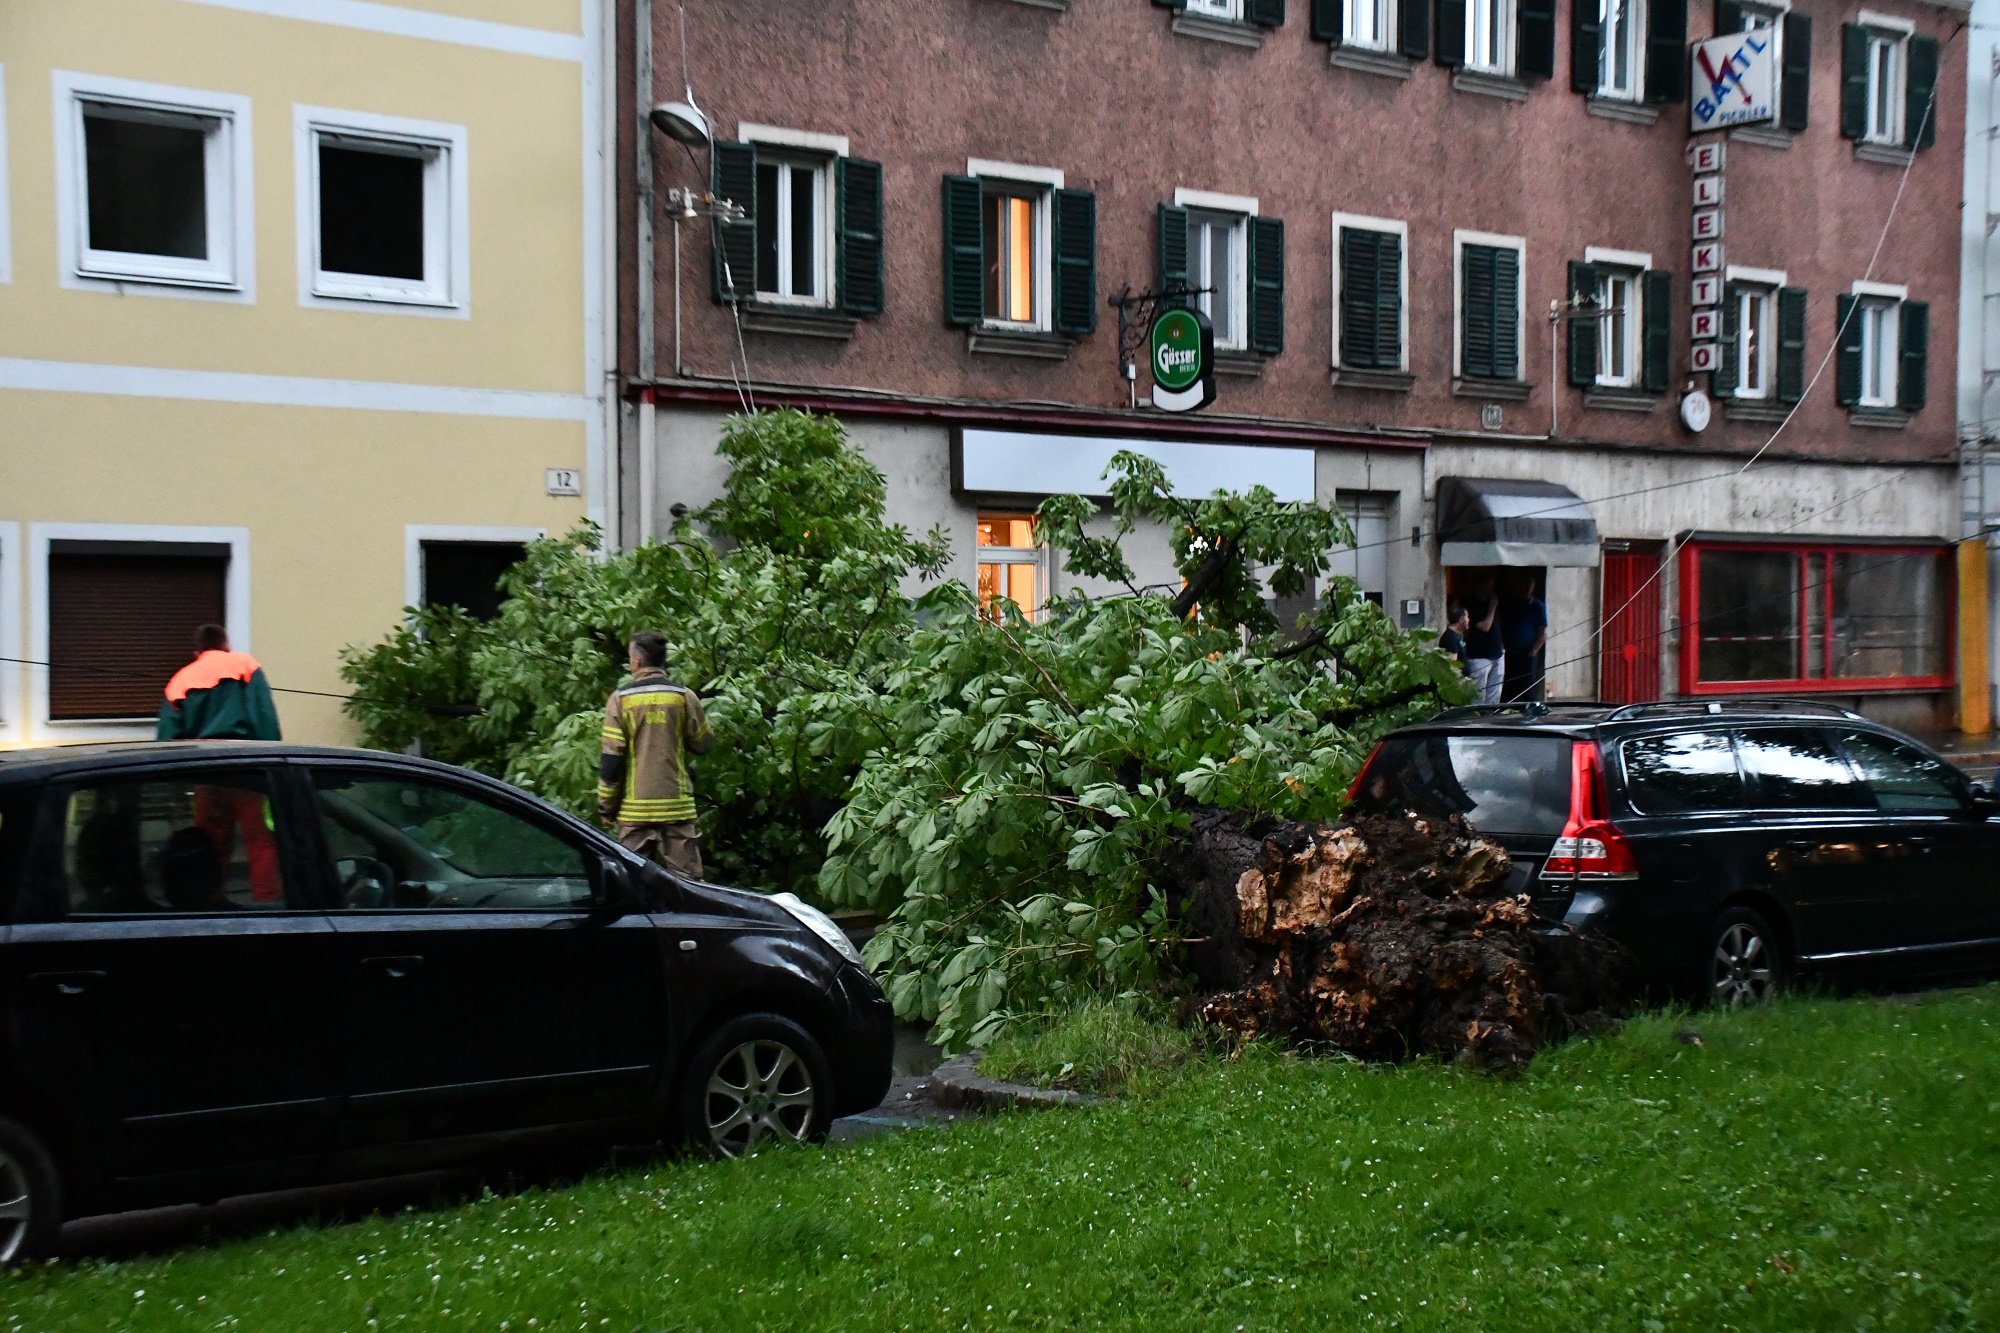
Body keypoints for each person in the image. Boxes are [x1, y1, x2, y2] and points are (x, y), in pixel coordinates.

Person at [157, 624, 284, 903]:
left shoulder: (180, 679)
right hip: (248, 771)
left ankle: (212, 906)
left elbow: (167, 740)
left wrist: (179, 782)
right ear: (226, 644)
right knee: (261, 843)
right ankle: (269, 904)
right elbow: (264, 720)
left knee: (212, 847)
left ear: (197, 652)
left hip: (206, 776)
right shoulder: (245, 666)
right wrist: (274, 765)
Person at [598, 630, 715, 878]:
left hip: (634, 811)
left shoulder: (620, 701)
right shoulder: (684, 697)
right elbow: (704, 743)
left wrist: (606, 806)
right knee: (689, 887)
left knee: (630, 882)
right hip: (677, 807)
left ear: (637, 661)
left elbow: (612, 760)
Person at [1498, 570, 1549, 703]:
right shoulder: (1511, 604)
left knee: (1528, 683)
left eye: (1528, 586)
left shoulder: (1537, 606)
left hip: (1528, 651)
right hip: (1511, 649)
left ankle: (1529, 709)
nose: (1525, 589)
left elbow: (1543, 631)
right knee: (1510, 682)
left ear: (1532, 588)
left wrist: (1534, 650)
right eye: (1523, 586)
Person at [1463, 579, 1505, 705]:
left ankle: (1490, 715)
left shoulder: (1492, 604)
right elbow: (1485, 626)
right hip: (1479, 656)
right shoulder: (1473, 605)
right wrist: (1492, 607)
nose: (1490, 590)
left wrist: (1502, 648)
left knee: (1494, 692)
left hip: (1497, 654)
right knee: (1478, 692)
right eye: (1487, 587)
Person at [1439, 601, 1470, 672]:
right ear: (1461, 619)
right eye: (1467, 616)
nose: (1468, 619)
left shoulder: (1456, 635)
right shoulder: (1450, 638)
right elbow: (1452, 666)